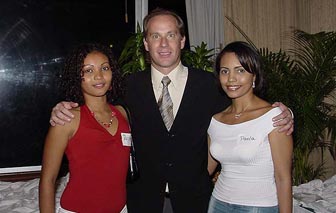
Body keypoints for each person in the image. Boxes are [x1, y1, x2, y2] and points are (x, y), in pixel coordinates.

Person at [49, 9, 294, 213]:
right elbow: (96, 106)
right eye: (156, 36)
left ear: (182, 40)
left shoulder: (211, 85)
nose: (164, 44)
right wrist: (61, 108)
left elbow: (245, 112)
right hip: (142, 202)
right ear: (146, 43)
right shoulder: (127, 85)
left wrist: (286, 112)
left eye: (171, 35)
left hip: (195, 202)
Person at [39, 43, 130, 213]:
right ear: (77, 77)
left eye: (105, 68)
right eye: (88, 70)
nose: (98, 76)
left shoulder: (123, 114)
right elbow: (48, 180)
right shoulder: (67, 119)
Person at [207, 41, 293, 213]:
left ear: (254, 76)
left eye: (240, 70)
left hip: (258, 207)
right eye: (225, 71)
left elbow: (283, 178)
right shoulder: (216, 120)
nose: (231, 79)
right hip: (217, 203)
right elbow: (204, 171)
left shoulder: (275, 117)